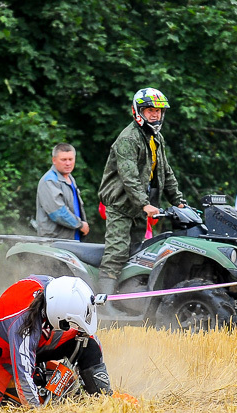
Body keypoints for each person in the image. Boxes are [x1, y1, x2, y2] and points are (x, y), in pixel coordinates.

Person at [0, 275, 112, 409]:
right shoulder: (24, 326)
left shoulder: (51, 288)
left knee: (87, 341)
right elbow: (23, 378)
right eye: (66, 324)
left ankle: (102, 398)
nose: (67, 327)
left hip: (35, 340)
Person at [97, 88, 185, 302]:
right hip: (120, 205)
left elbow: (165, 172)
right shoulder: (128, 138)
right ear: (138, 111)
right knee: (117, 252)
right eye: (150, 110)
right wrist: (145, 204)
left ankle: (127, 299)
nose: (155, 114)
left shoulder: (156, 137)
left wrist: (179, 202)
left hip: (139, 207)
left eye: (158, 111)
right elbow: (129, 177)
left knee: (139, 254)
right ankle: (103, 302)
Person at [36, 143, 89, 240]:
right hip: (54, 241)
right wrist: (80, 225)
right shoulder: (49, 180)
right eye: (63, 160)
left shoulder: (70, 178)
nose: (68, 163)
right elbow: (57, 213)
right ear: (54, 160)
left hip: (71, 239)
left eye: (70, 159)